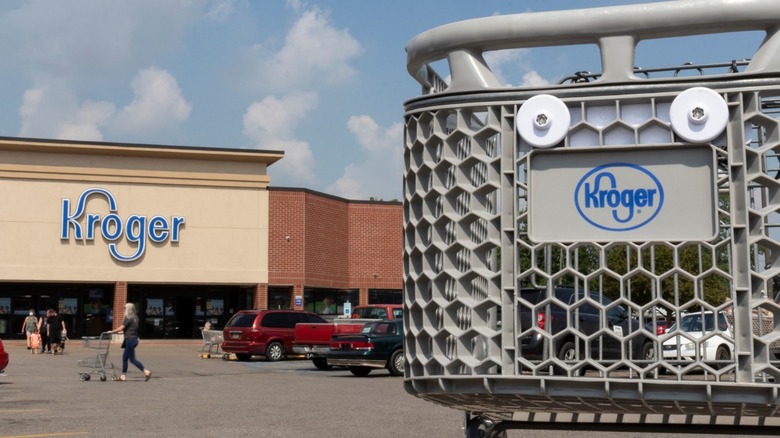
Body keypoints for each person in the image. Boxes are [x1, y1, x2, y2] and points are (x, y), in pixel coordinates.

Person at [108, 303, 151, 382]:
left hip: (130, 340)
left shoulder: (128, 318)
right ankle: (123, 376)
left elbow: (121, 328)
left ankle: (146, 371)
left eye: (125, 308)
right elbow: (130, 329)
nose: (124, 310)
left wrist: (112, 331)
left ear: (128, 309)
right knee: (124, 358)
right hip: (134, 339)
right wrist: (122, 333)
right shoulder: (136, 318)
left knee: (132, 360)